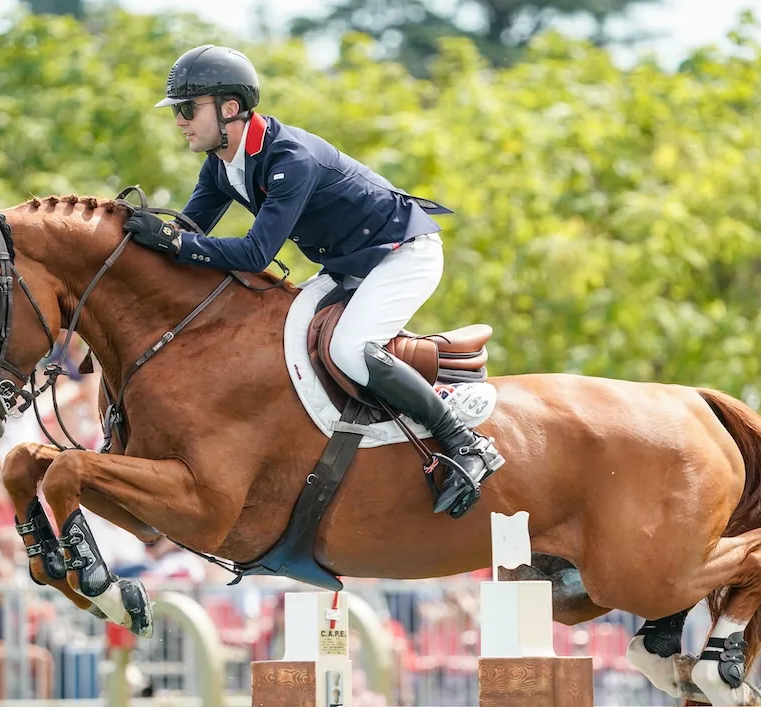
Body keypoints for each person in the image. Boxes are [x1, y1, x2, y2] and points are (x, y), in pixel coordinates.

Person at [123, 45, 505, 516]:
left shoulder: (291, 158)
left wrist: (173, 242)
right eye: (177, 111)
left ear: (229, 108)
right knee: (270, 335)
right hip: (350, 263)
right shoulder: (221, 164)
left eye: (187, 109)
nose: (180, 121)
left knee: (348, 350)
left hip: (403, 254)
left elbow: (253, 253)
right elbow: (188, 230)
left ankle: (464, 442)